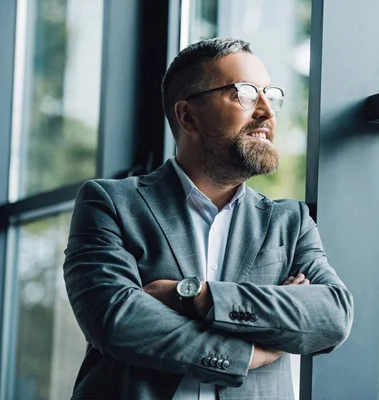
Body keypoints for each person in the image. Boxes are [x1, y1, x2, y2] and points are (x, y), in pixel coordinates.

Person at [63, 37, 353, 400]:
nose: (267, 111)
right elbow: (117, 320)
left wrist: (196, 296)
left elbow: (332, 316)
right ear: (187, 116)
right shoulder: (110, 203)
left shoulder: (290, 222)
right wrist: (249, 352)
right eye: (245, 94)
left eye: (270, 95)